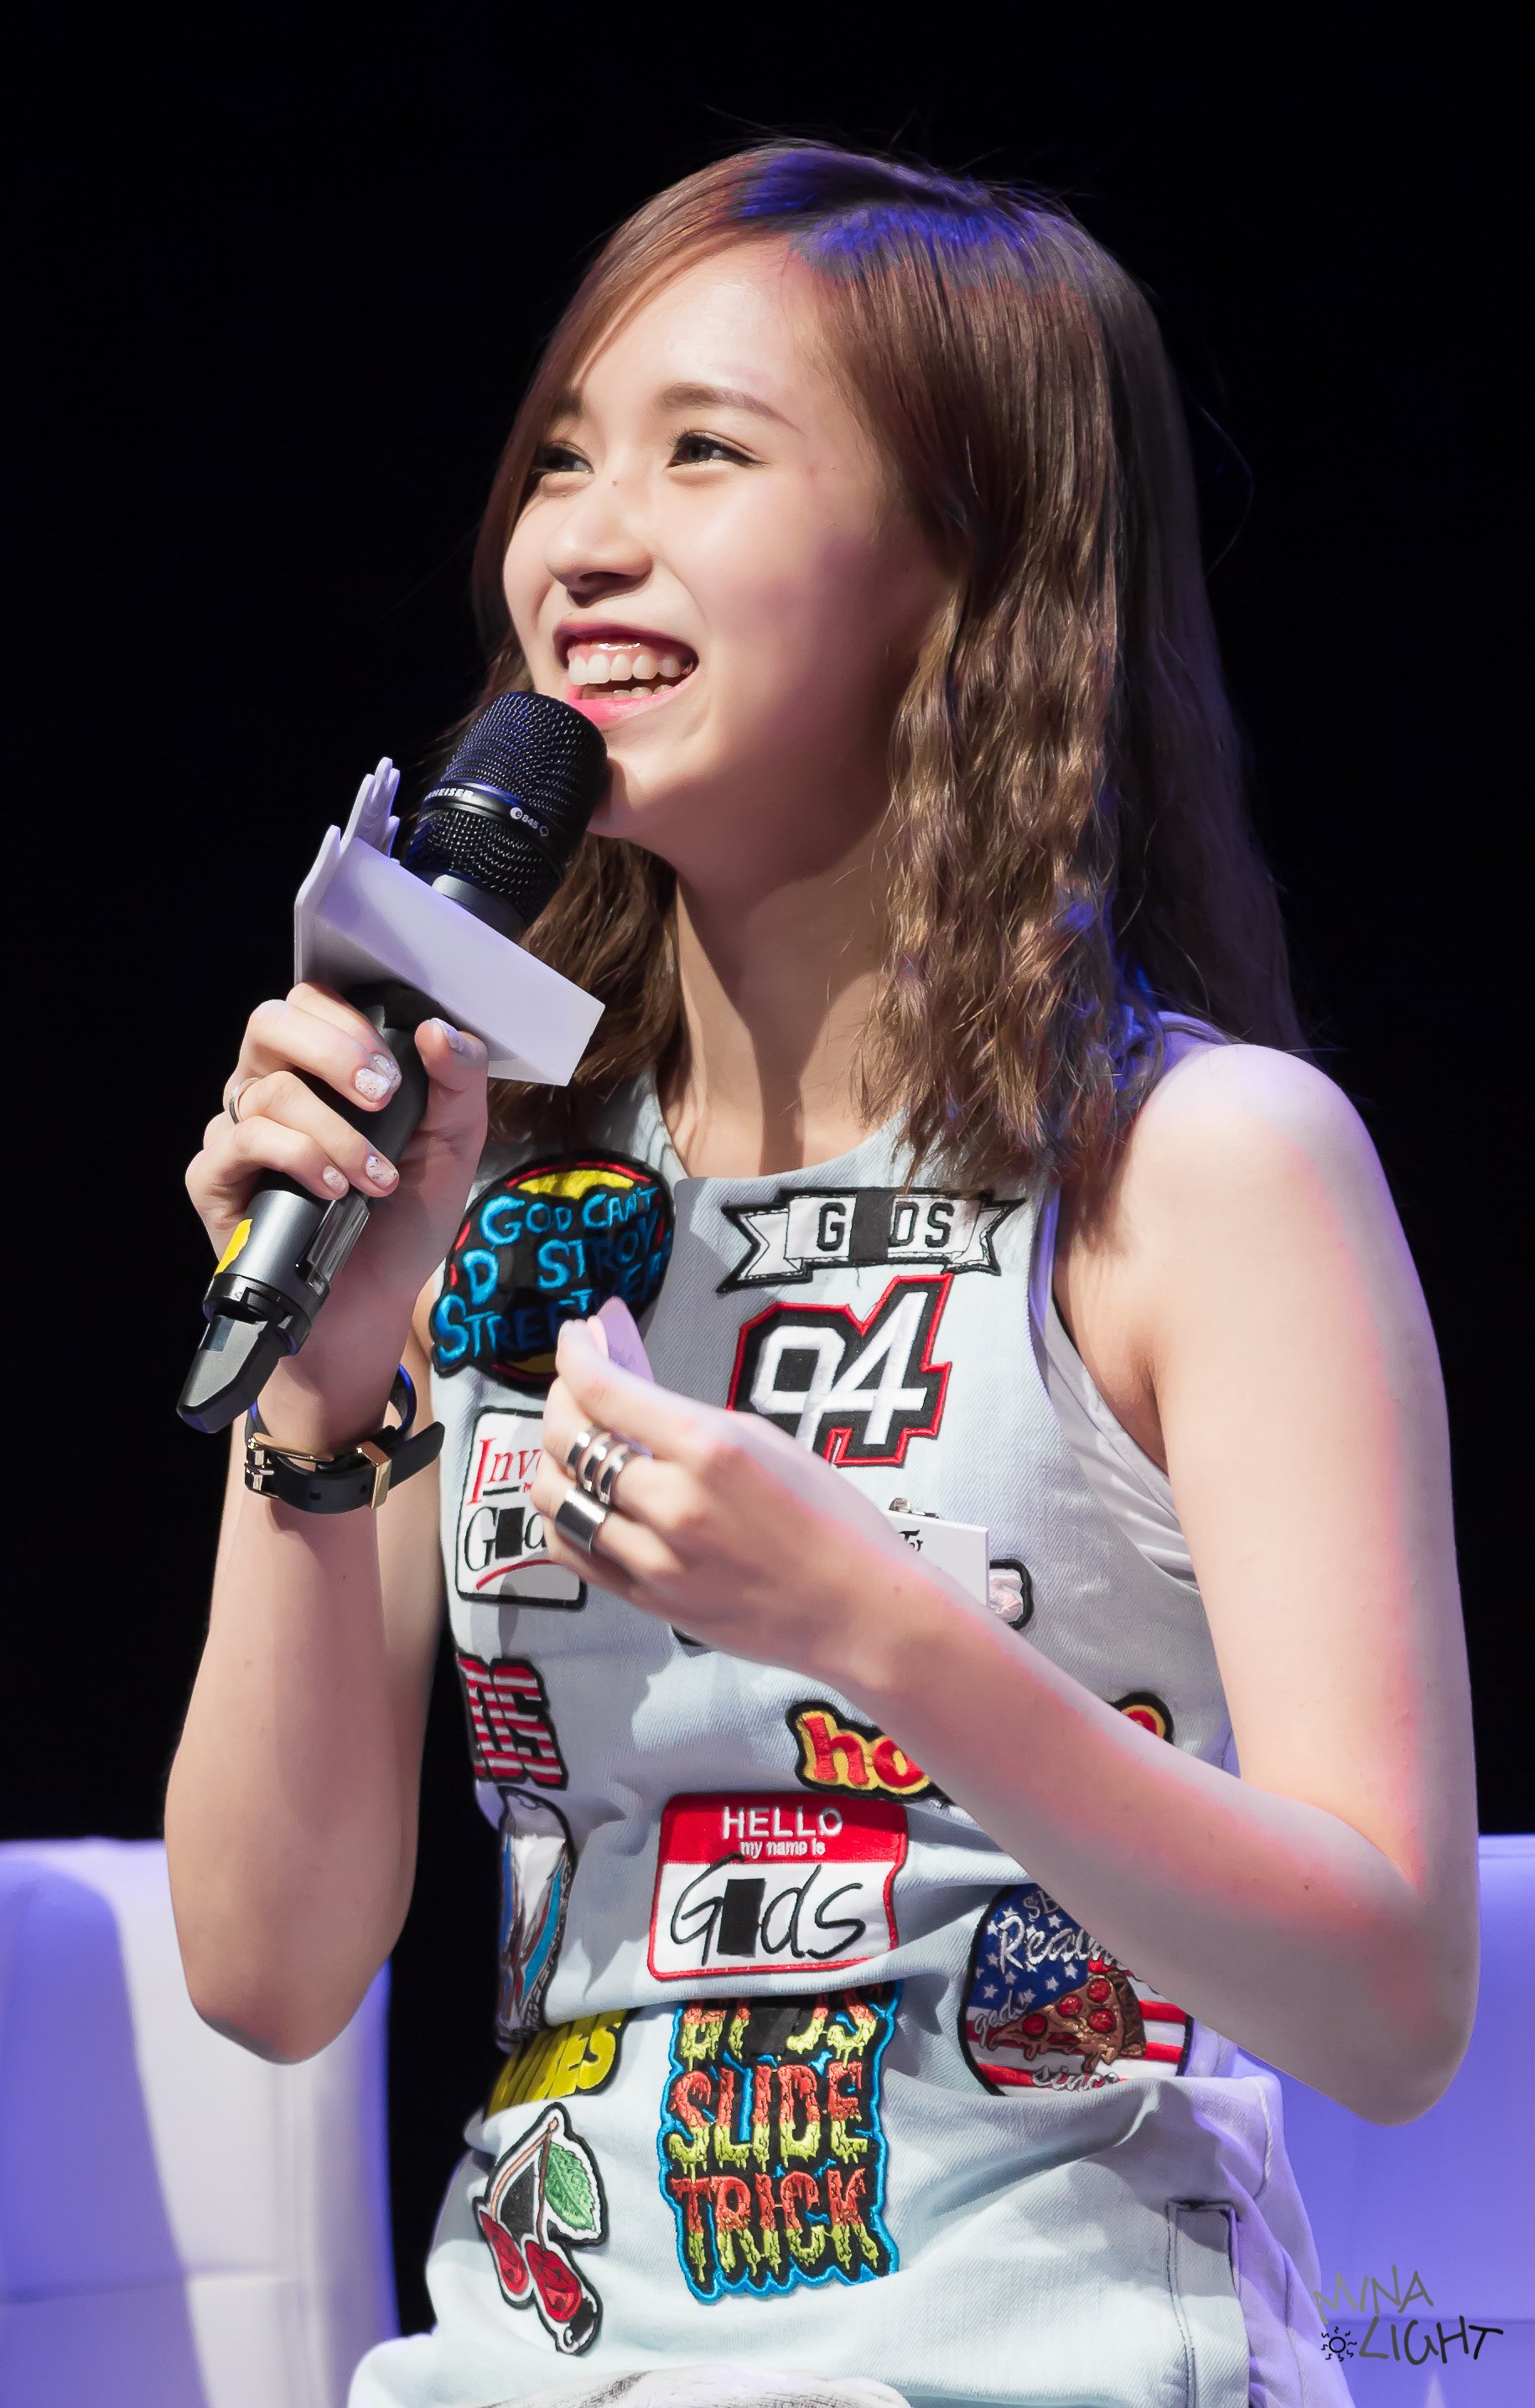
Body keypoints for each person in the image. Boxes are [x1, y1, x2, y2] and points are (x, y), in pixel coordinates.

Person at [167, 143, 1478, 2408]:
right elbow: (267, 1977)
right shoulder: (486, 1174)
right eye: (563, 456)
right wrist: (317, 1396)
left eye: (706, 453)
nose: (584, 539)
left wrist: (875, 1628)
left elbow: (1392, 2007)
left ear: (961, 564)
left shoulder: (1197, 1167)